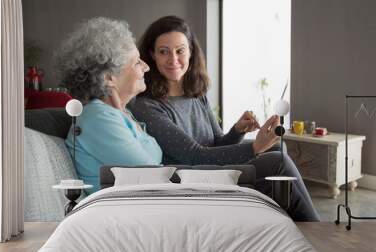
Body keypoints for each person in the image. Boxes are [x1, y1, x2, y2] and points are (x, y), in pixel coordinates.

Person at [128, 15, 320, 221]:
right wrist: (255, 147)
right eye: (164, 51)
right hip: (188, 179)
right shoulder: (148, 105)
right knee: (277, 162)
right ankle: (317, 230)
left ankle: (287, 226)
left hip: (208, 168)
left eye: (180, 50)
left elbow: (216, 144)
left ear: (191, 52)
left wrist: (237, 131)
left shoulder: (196, 94)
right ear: (152, 55)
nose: (173, 59)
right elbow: (194, 156)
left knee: (277, 149)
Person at [55, 17, 162, 194]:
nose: (146, 67)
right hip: (122, 213)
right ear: (108, 78)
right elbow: (151, 173)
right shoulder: (98, 119)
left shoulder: (117, 114)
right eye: (136, 62)